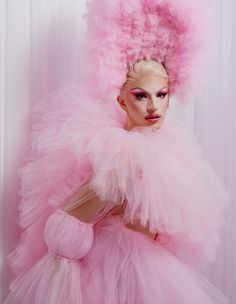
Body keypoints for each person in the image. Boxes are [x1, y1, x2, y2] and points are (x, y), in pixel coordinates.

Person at [3, 1, 231, 303]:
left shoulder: (165, 146)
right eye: (141, 96)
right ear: (121, 101)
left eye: (161, 95)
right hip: (115, 265)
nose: (153, 106)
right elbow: (66, 227)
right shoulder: (123, 153)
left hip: (144, 265)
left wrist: (148, 229)